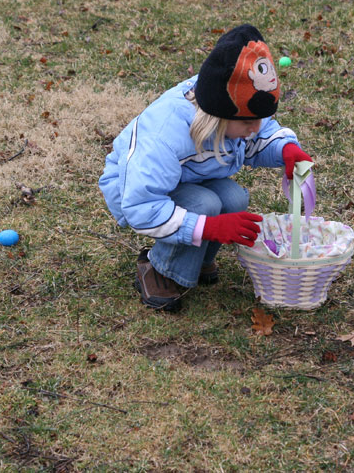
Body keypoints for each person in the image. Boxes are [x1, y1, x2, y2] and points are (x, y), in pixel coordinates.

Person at [98, 24, 313, 311]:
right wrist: (210, 226)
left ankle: (197, 259)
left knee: (234, 198)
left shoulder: (230, 103)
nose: (256, 128)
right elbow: (141, 205)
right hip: (137, 190)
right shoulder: (165, 136)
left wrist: (285, 149)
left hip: (188, 176)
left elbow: (257, 135)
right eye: (249, 123)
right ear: (219, 118)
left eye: (260, 120)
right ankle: (158, 268)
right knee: (204, 204)